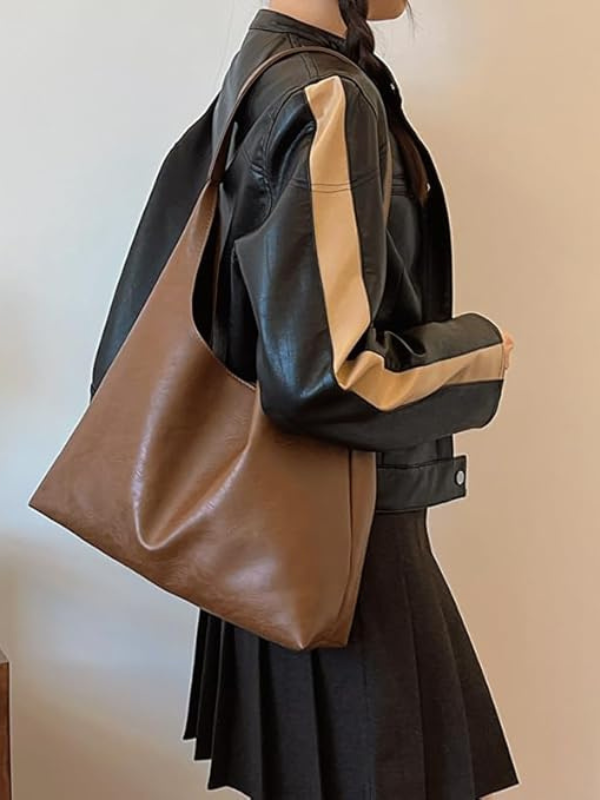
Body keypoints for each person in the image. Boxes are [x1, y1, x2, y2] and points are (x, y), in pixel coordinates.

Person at [89, 1, 519, 798]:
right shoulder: (328, 95)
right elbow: (325, 374)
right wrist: (480, 357)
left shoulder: (263, 68)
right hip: (345, 558)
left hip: (275, 540)